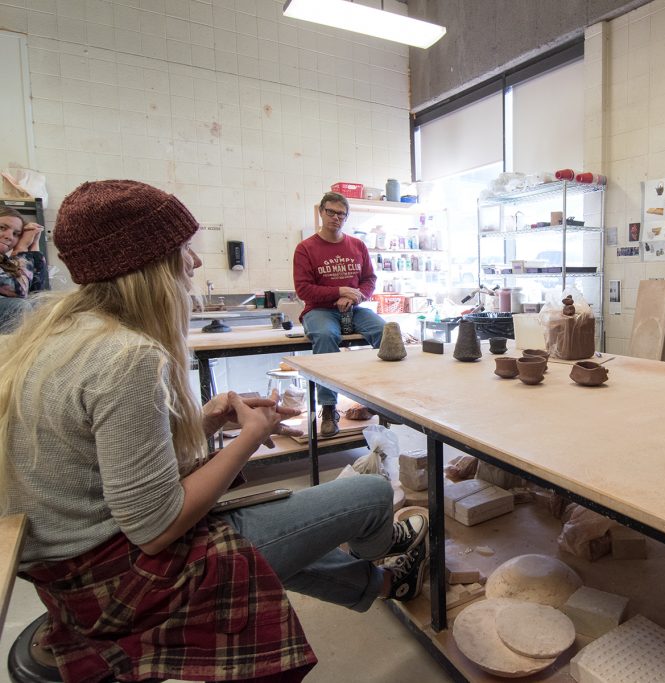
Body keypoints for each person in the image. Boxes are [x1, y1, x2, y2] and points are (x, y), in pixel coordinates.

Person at [0, 180, 428, 683]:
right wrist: (250, 437)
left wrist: (201, 421)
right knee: (372, 493)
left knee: (292, 528)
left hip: (69, 571)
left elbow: (101, 455)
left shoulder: (57, 335)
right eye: (185, 250)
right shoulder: (127, 356)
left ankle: (383, 583)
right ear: (150, 262)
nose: (196, 263)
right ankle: (381, 544)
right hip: (124, 583)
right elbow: (156, 528)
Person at [293, 191, 385, 436]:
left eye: (341, 214)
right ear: (321, 213)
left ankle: (383, 400)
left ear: (347, 217)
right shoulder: (306, 248)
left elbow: (369, 280)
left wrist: (356, 295)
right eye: (330, 212)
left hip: (354, 309)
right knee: (324, 336)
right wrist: (339, 291)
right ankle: (329, 408)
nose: (335, 217)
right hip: (320, 310)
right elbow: (303, 289)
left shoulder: (357, 245)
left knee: (386, 333)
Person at [0, 206, 46, 332]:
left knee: (42, 304)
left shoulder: (4, 262)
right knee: (17, 307)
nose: (9, 236)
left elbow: (39, 292)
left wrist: (34, 245)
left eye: (16, 234)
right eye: (2, 228)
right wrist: (21, 248)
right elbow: (19, 290)